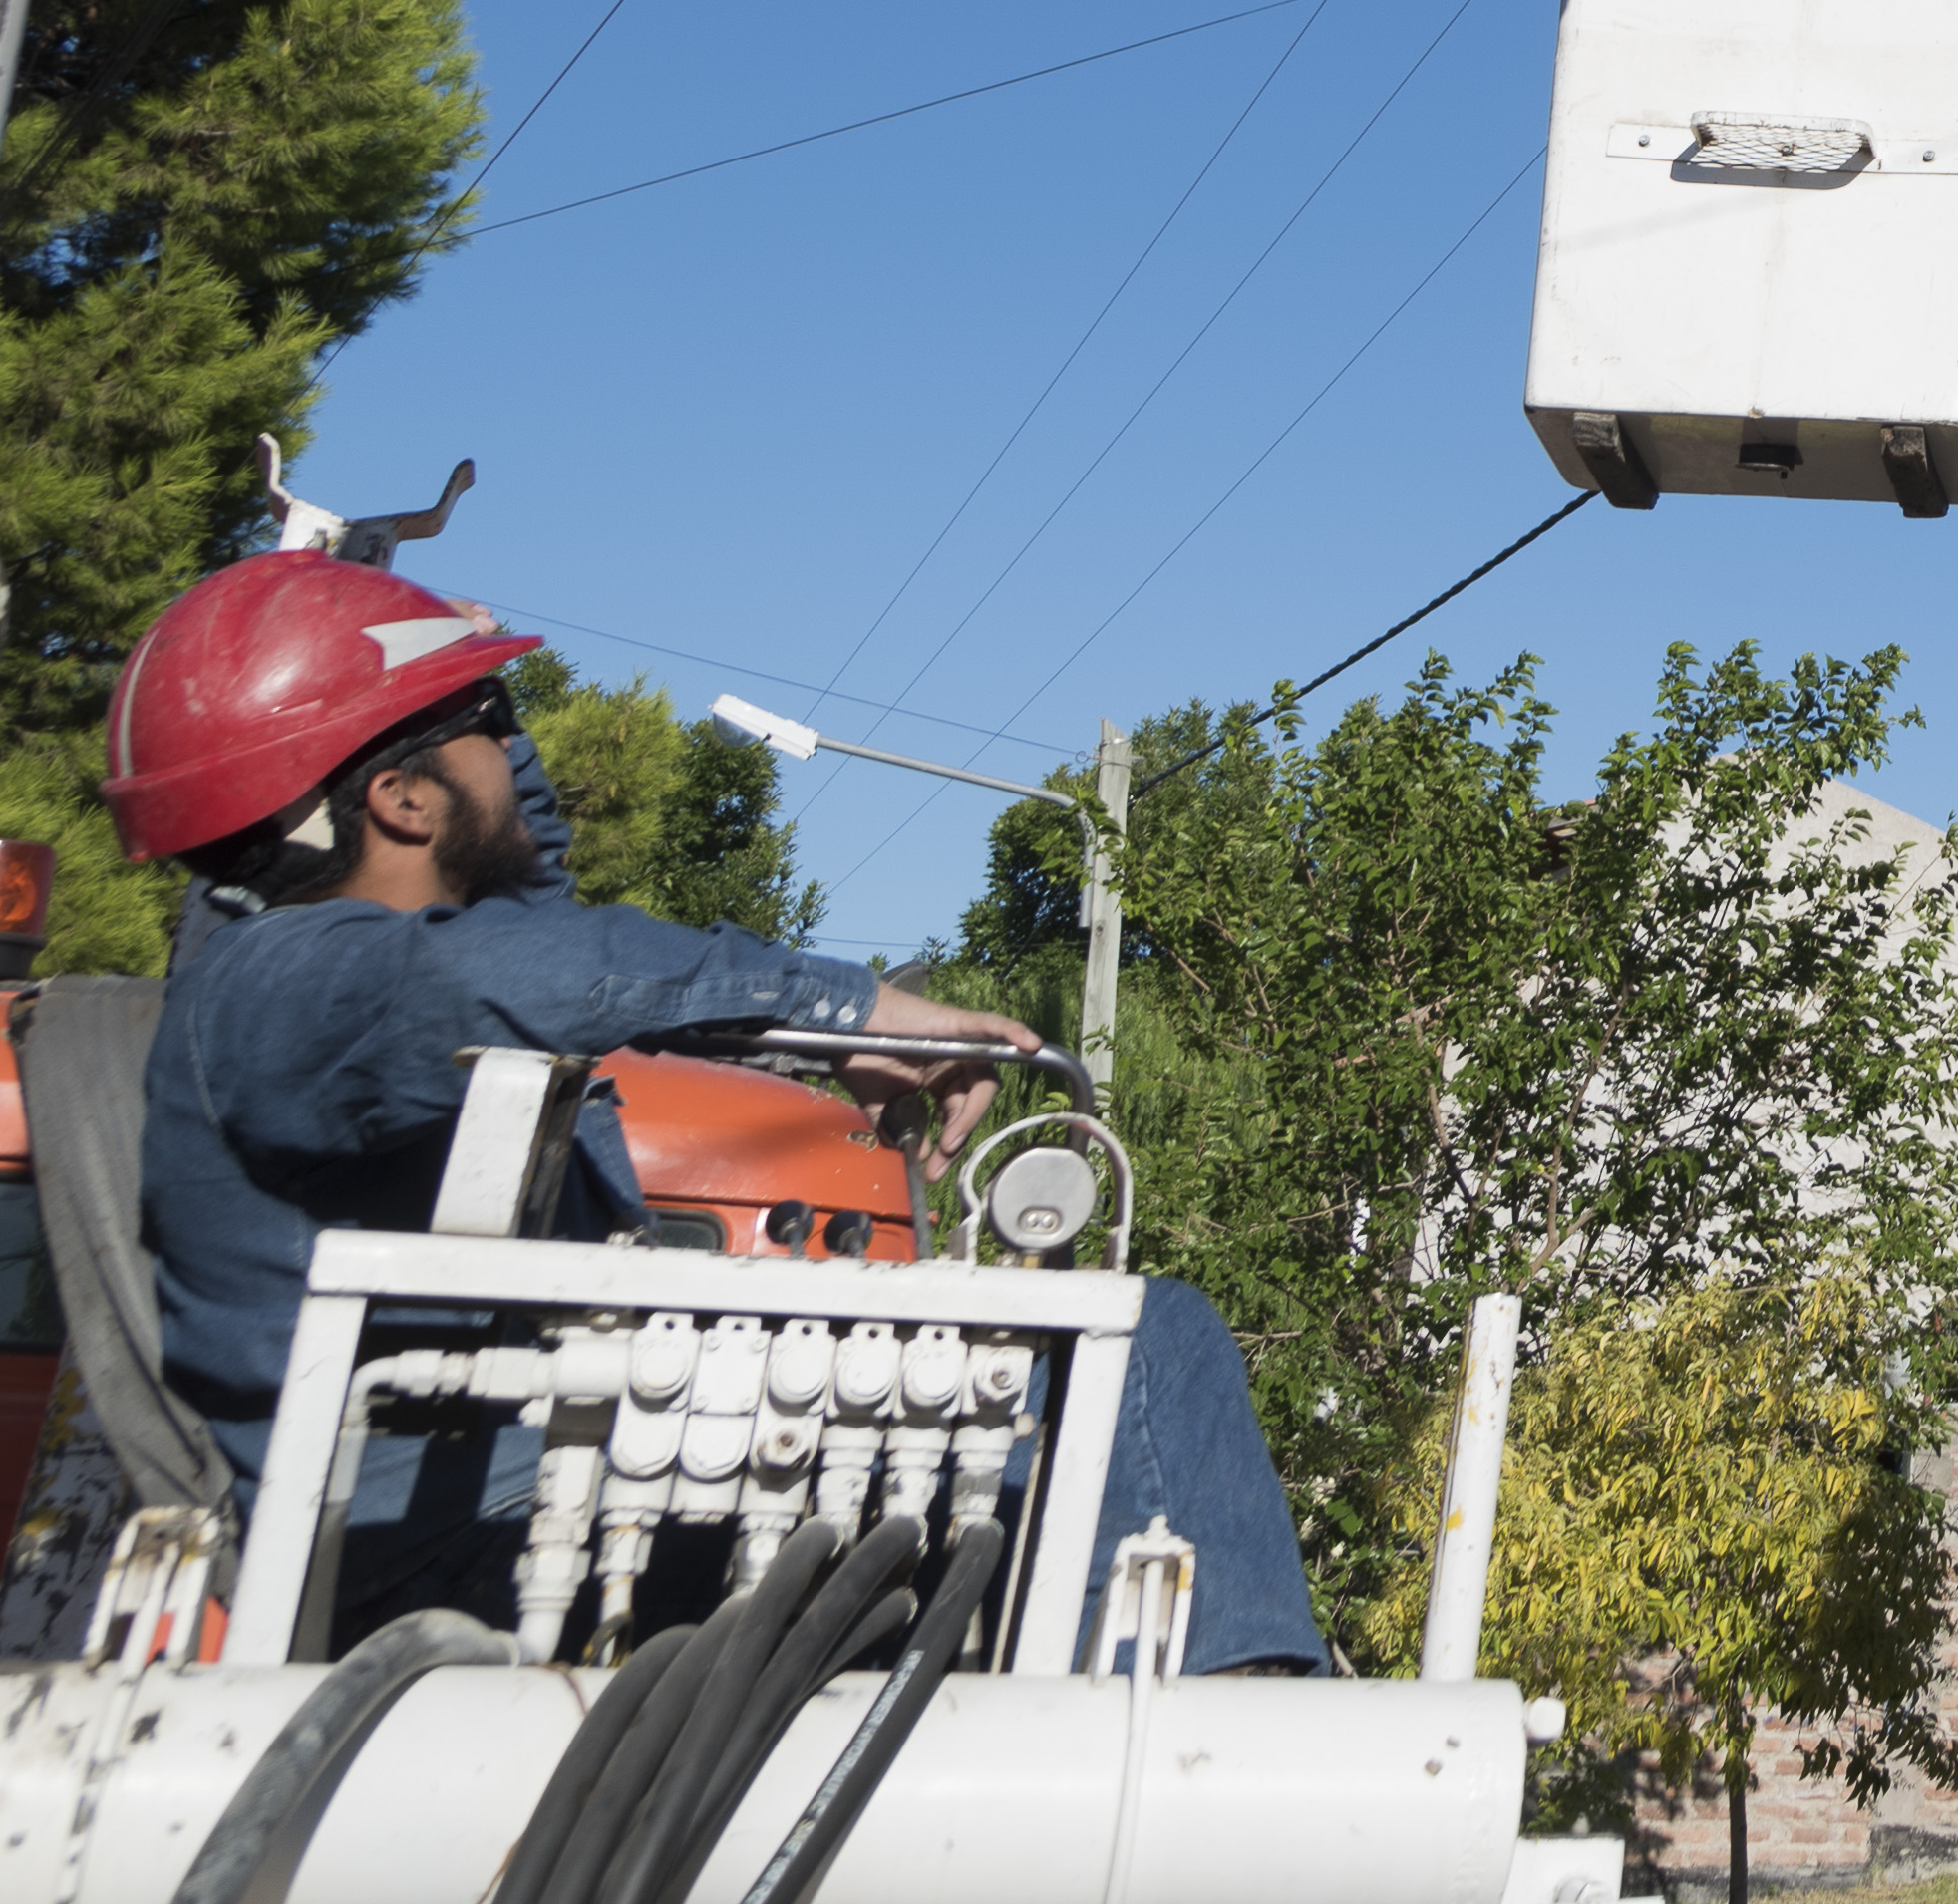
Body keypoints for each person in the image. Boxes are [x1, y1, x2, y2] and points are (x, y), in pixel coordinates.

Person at [106, 545, 1324, 1668]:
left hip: (540, 1505)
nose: (517, 759)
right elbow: (524, 965)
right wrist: (852, 1006)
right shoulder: (289, 980)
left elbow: (533, 916)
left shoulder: (306, 970)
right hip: (485, 1542)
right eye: (489, 730)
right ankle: (1237, 1776)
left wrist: (485, 707)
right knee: (1139, 1349)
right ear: (403, 800)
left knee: (1062, 1433)